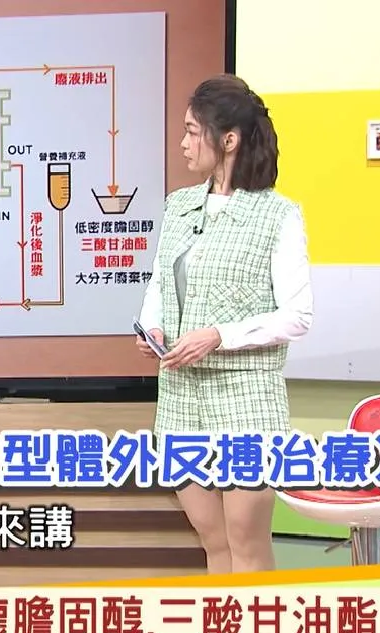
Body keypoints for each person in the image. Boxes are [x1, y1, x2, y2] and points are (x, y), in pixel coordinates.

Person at [135, 74, 314, 574]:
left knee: (246, 542)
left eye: (193, 132)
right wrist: (153, 327)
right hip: (180, 398)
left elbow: (297, 315)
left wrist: (219, 336)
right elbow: (160, 281)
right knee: (213, 540)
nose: (183, 143)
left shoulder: (278, 215)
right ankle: (222, 624)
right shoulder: (178, 205)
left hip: (246, 400)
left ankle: (259, 627)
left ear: (229, 140)